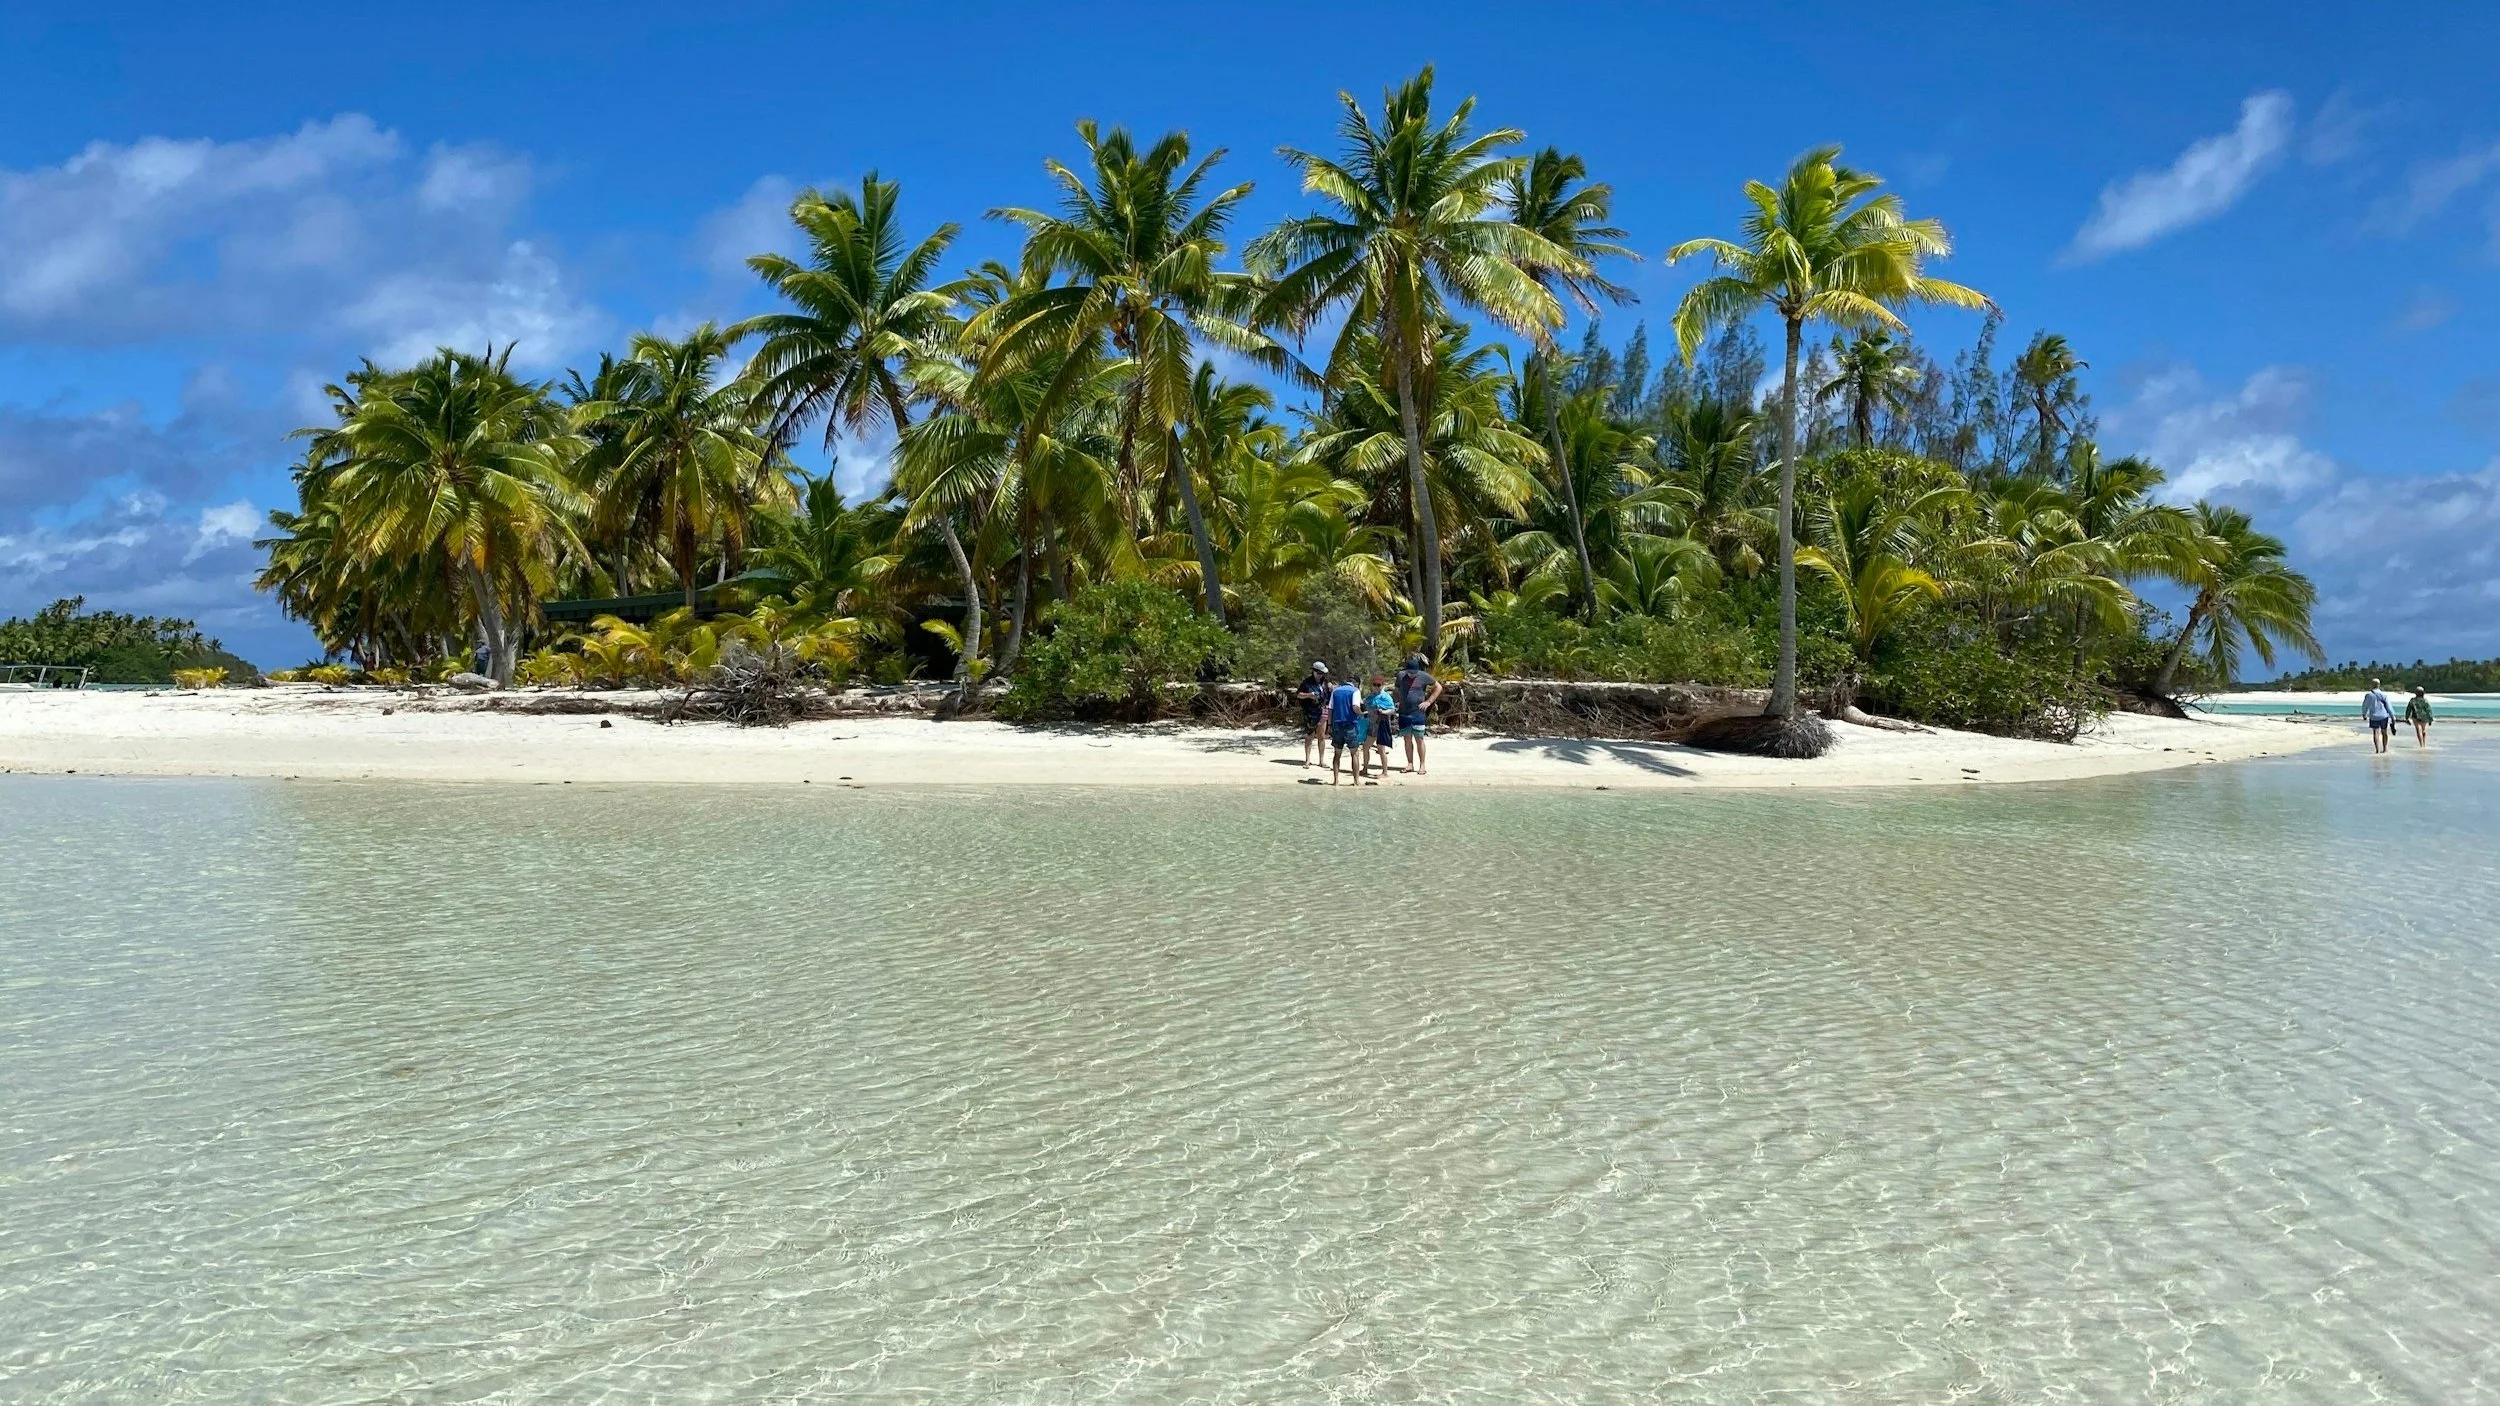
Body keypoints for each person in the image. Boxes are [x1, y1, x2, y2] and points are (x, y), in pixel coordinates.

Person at [1394, 654, 1445, 776]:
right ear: (1406, 670)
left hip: (1418, 713)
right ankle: (1410, 763)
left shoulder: (1423, 676)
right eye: (1410, 672)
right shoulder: (1401, 676)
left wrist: (1428, 702)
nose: (1413, 675)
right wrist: (1395, 702)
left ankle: (1422, 765)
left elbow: (1438, 687)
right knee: (1407, 739)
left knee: (1419, 739)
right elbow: (1396, 690)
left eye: (1414, 672)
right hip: (1404, 712)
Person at [1326, 672, 1365, 784]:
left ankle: (1336, 781)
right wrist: (1361, 714)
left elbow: (1330, 709)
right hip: (1350, 725)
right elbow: (1355, 707)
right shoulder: (1355, 691)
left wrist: (1329, 725)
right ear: (1356, 683)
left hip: (1337, 725)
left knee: (1337, 753)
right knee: (1354, 753)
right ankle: (1356, 781)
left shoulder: (1335, 691)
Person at [1294, 662, 1330, 766]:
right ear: (1313, 671)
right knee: (1309, 735)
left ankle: (1321, 760)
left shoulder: (1325, 682)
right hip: (1310, 712)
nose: (1320, 675)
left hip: (1323, 711)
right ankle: (1307, 759)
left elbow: (1329, 695)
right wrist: (1309, 695)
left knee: (1321, 736)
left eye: (1322, 673)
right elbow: (1298, 695)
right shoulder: (1306, 682)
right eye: (1318, 673)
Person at [1368, 675, 1399, 774]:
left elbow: (1393, 710)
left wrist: (1384, 712)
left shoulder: (1386, 697)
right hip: (1372, 724)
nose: (1377, 687)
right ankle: (1364, 769)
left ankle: (1385, 772)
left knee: (1381, 749)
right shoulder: (1370, 696)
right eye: (1375, 685)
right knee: (1366, 746)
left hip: (1382, 723)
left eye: (1379, 685)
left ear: (1382, 685)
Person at [2362, 678, 2395, 754]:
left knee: (2376, 732)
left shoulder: (2368, 695)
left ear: (2372, 685)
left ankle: (2377, 750)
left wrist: (2364, 714)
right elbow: (2389, 706)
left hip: (2373, 716)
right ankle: (2385, 749)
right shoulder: (2384, 695)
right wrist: (2392, 716)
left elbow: (2365, 706)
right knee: (2384, 732)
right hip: (2384, 716)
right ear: (2379, 685)